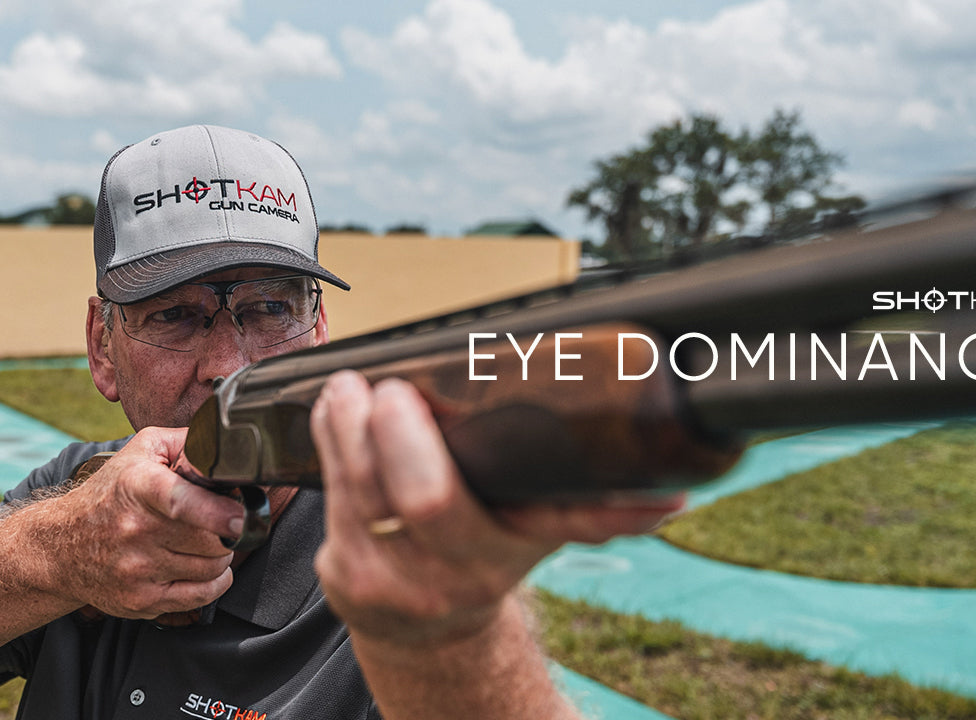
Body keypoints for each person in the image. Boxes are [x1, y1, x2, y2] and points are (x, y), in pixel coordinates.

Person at [0, 125, 684, 719]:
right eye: (175, 314)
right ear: (102, 346)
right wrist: (61, 557)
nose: (229, 364)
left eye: (271, 308)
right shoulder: (78, 494)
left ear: (319, 331)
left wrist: (449, 634)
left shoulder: (386, 547)